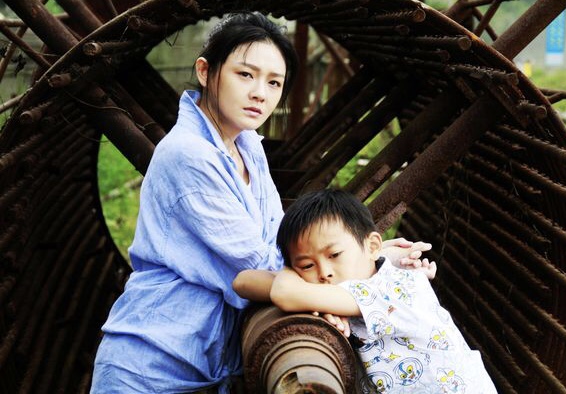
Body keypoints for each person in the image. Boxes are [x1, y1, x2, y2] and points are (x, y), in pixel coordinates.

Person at [91, 12, 430, 394]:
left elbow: (282, 242)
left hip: (208, 368)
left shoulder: (248, 146)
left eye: (274, 83)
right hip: (152, 364)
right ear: (205, 71)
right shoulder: (188, 155)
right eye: (245, 75)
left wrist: (372, 255)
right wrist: (361, 280)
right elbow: (260, 263)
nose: (260, 93)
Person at [234, 189, 497, 393]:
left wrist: (299, 279)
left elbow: (284, 294)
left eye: (335, 254)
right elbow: (243, 282)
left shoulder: (391, 288)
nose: (324, 272)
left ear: (372, 246)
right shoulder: (350, 285)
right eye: (307, 264)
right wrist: (299, 280)